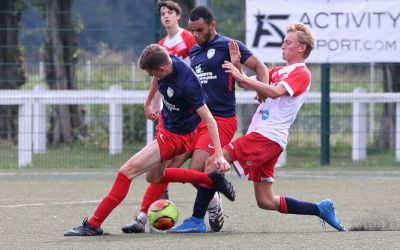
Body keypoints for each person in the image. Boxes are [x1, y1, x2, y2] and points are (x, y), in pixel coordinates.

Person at [169, 22, 347, 233]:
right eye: (283, 41)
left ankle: (198, 219)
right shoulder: (280, 70)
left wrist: (243, 77)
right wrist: (238, 67)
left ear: (301, 48)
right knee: (266, 200)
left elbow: (275, 92)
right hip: (265, 137)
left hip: (267, 136)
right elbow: (245, 83)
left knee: (212, 163)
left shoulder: (302, 73)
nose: (283, 45)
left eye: (288, 42)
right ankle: (320, 209)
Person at [122, 5, 269, 234]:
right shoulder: (195, 52)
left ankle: (201, 215)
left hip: (220, 119)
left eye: (200, 30)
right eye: (193, 31)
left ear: (212, 25)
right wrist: (150, 100)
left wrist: (262, 89)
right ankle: (144, 217)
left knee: (197, 170)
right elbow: (170, 77)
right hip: (193, 120)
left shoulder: (228, 45)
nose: (196, 35)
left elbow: (260, 68)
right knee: (167, 166)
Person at [64, 44, 236, 236]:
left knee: (126, 172)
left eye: (150, 72)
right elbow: (156, 77)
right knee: (154, 177)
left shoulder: (187, 84)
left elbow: (210, 120)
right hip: (166, 126)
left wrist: (219, 155)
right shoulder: (166, 60)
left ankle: (93, 224)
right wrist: (148, 102)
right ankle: (210, 180)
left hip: (173, 138)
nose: (150, 76)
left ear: (163, 68)